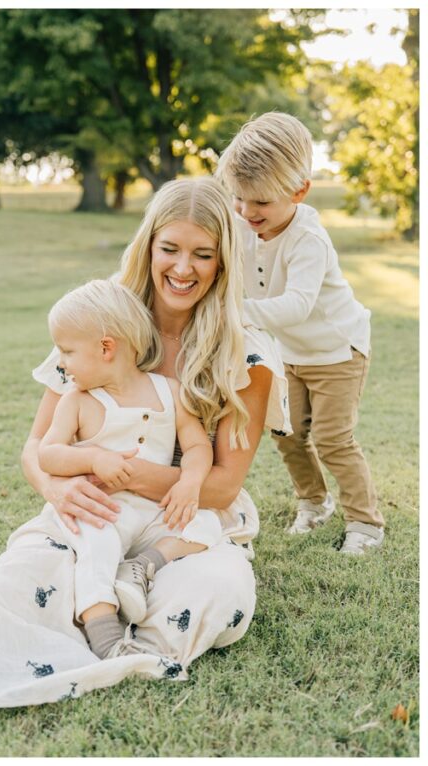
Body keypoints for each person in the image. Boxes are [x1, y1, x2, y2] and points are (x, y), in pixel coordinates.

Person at [0, 177, 289, 727]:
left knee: (218, 592)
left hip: (183, 523)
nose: (183, 268)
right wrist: (59, 487)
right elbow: (36, 445)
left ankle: (53, 609)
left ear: (223, 262)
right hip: (95, 508)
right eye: (170, 249)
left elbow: (220, 487)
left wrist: (126, 474)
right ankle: (4, 622)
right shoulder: (96, 319)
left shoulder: (245, 351)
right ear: (148, 246)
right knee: (58, 561)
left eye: (202, 254)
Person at [215, 111, 381, 554]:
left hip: (337, 351)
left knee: (332, 438)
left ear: (299, 191)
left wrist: (232, 312)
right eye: (239, 199)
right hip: (288, 353)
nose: (248, 212)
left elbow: (298, 305)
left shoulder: (309, 238)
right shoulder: (242, 224)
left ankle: (366, 524)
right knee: (285, 433)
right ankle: (313, 502)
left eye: (261, 203)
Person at [39, 279, 222, 656]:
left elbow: (197, 445)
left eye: (66, 351)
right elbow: (48, 454)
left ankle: (143, 565)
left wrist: (190, 481)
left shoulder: (169, 390)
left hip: (153, 509)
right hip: (103, 510)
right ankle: (105, 636)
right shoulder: (77, 401)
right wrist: (93, 458)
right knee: (97, 549)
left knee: (208, 524)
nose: (60, 362)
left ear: (106, 347)